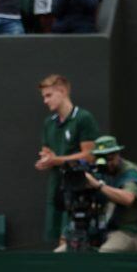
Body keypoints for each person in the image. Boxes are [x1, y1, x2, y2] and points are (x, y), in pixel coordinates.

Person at [35, 74, 100, 244]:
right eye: (43, 97)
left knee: (72, 240)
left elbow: (90, 155)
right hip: (56, 188)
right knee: (55, 239)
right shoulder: (48, 123)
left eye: (48, 95)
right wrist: (45, 160)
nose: (45, 101)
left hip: (78, 189)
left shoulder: (83, 118)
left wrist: (56, 160)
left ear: (62, 91)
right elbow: (47, 152)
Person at [80, 135, 137, 252]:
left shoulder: (129, 171)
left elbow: (128, 199)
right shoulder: (96, 170)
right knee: (63, 253)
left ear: (118, 155)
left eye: (111, 159)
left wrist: (98, 185)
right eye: (102, 159)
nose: (107, 164)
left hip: (126, 231)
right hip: (98, 230)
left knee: (105, 254)